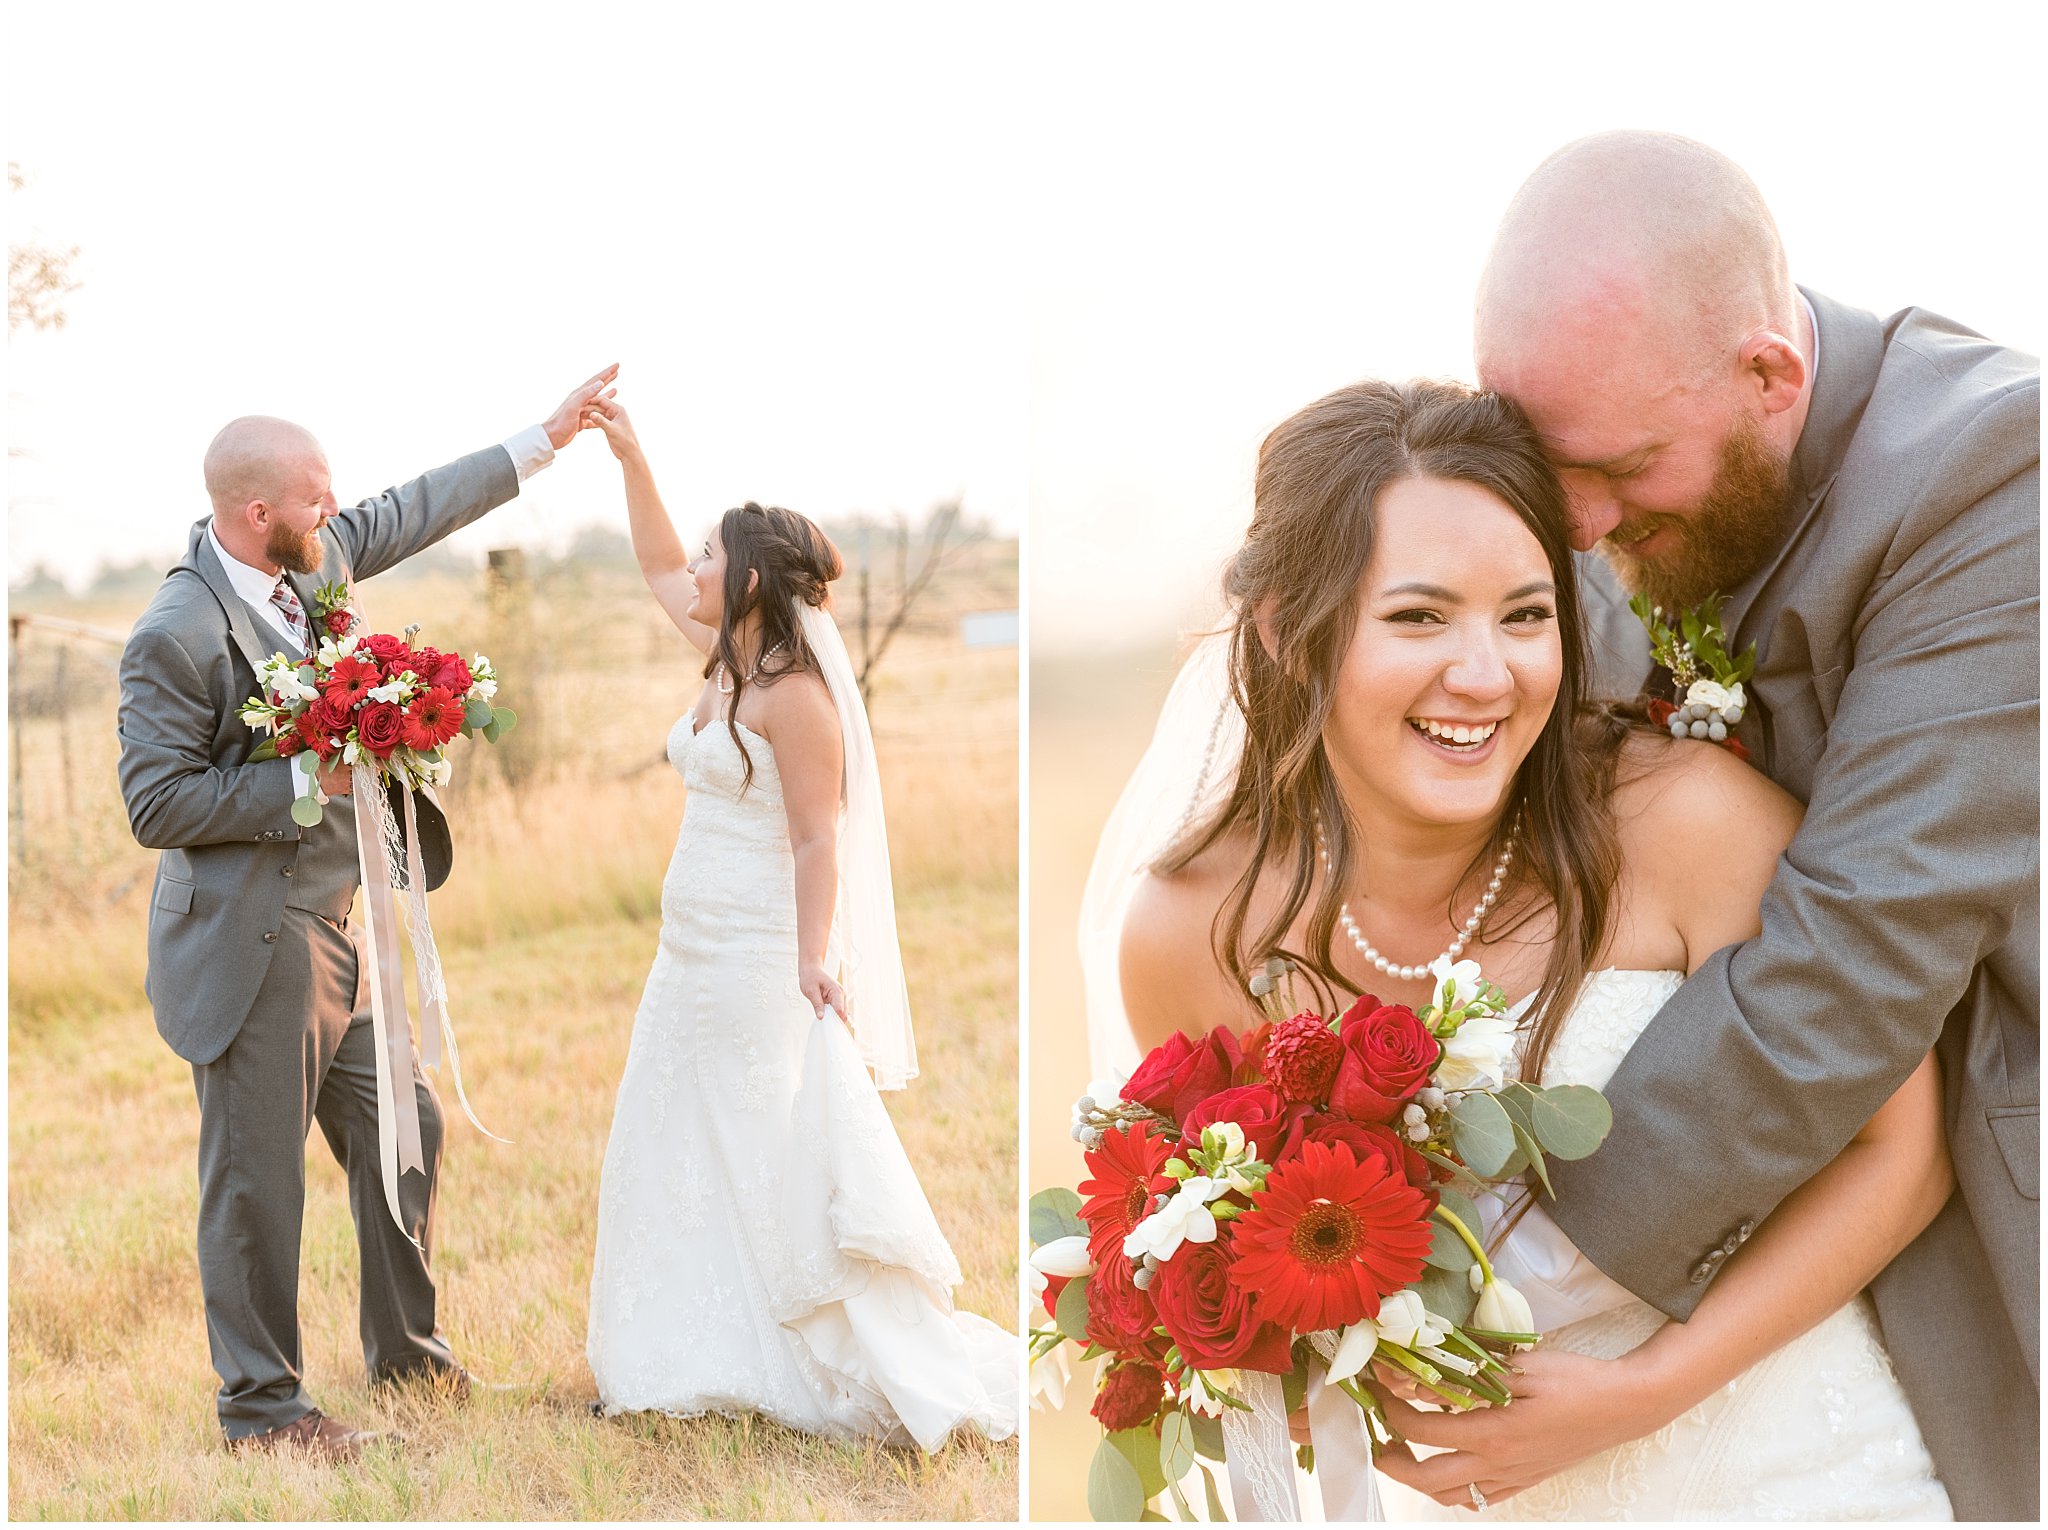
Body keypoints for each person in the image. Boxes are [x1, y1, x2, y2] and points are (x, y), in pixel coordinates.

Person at [1109, 377, 1952, 1518]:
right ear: (1285, 632)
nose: (1483, 674)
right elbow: (1270, 1290)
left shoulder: (1682, 823)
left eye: (1524, 614)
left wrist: (1646, 1389)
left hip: (1788, 1463)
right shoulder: (1195, 933)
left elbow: (1900, 1152)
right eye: (1416, 617)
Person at [1394, 130, 2033, 1520]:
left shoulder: (2000, 474)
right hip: (1770, 1258)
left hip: (1990, 1208)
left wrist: (1503, 1290)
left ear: (1769, 375)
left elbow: (1858, 955)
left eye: (1618, 469)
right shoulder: (1607, 484)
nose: (1577, 528)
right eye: (1549, 470)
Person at [115, 365, 618, 1462]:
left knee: (406, 1132)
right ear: (260, 515)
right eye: (316, 495)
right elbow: (154, 802)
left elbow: (416, 504)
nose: (336, 510)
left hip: (343, 925)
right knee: (256, 1184)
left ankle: (407, 1358)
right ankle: (263, 1412)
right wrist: (311, 784)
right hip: (250, 944)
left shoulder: (317, 560)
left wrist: (546, 437)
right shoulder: (177, 630)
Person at [579, 398, 1017, 1451]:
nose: (688, 567)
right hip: (682, 955)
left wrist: (810, 958)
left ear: (747, 578)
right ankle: (679, 1344)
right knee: (669, 1137)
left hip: (751, 957)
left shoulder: (794, 698)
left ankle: (782, 1351)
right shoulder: (722, 657)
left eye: (707, 556)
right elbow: (649, 563)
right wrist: (631, 452)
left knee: (750, 1143)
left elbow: (820, 842)